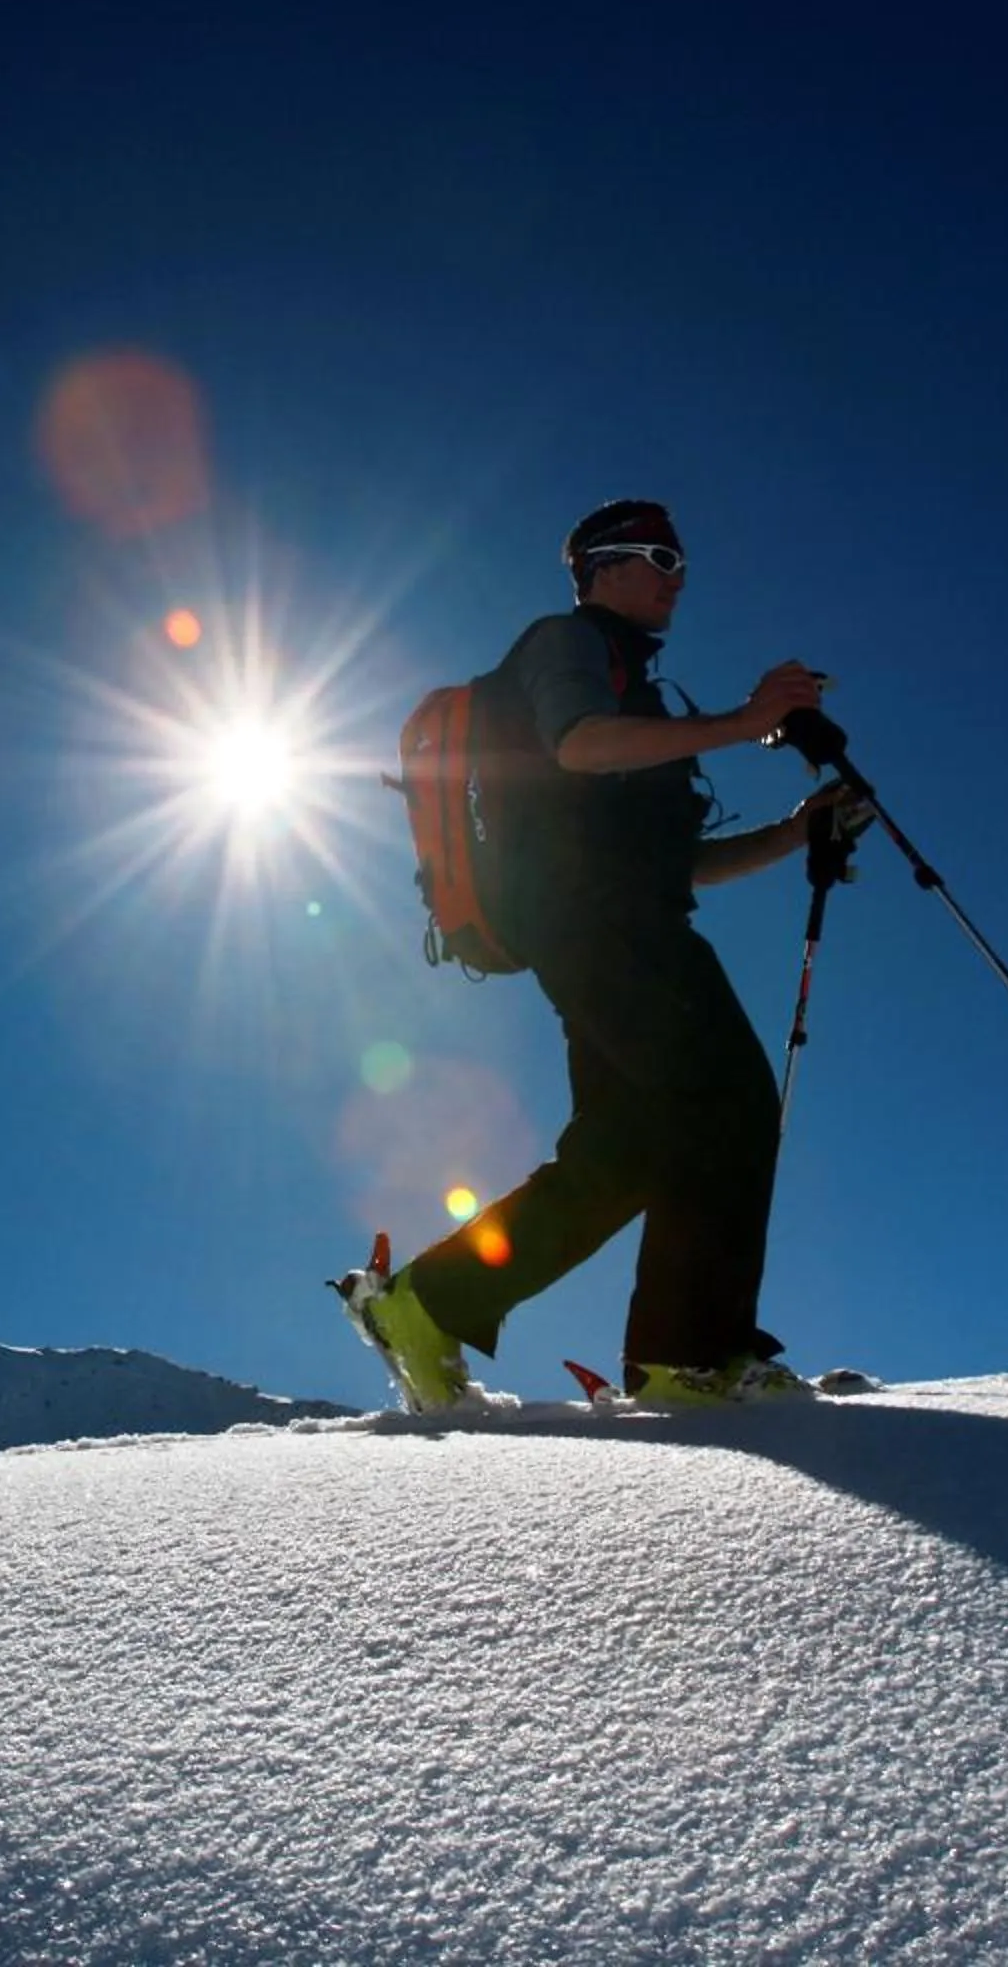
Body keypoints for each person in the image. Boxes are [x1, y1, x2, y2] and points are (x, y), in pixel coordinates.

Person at [343, 498, 866, 1410]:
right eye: (659, 556)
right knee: (729, 1105)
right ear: (601, 566)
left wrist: (791, 835)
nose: (676, 576)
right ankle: (689, 1359)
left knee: (625, 1150)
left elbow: (671, 865)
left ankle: (427, 1306)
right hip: (602, 929)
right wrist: (747, 721)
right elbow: (580, 747)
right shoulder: (566, 644)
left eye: (681, 562)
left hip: (607, 925)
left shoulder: (636, 689)